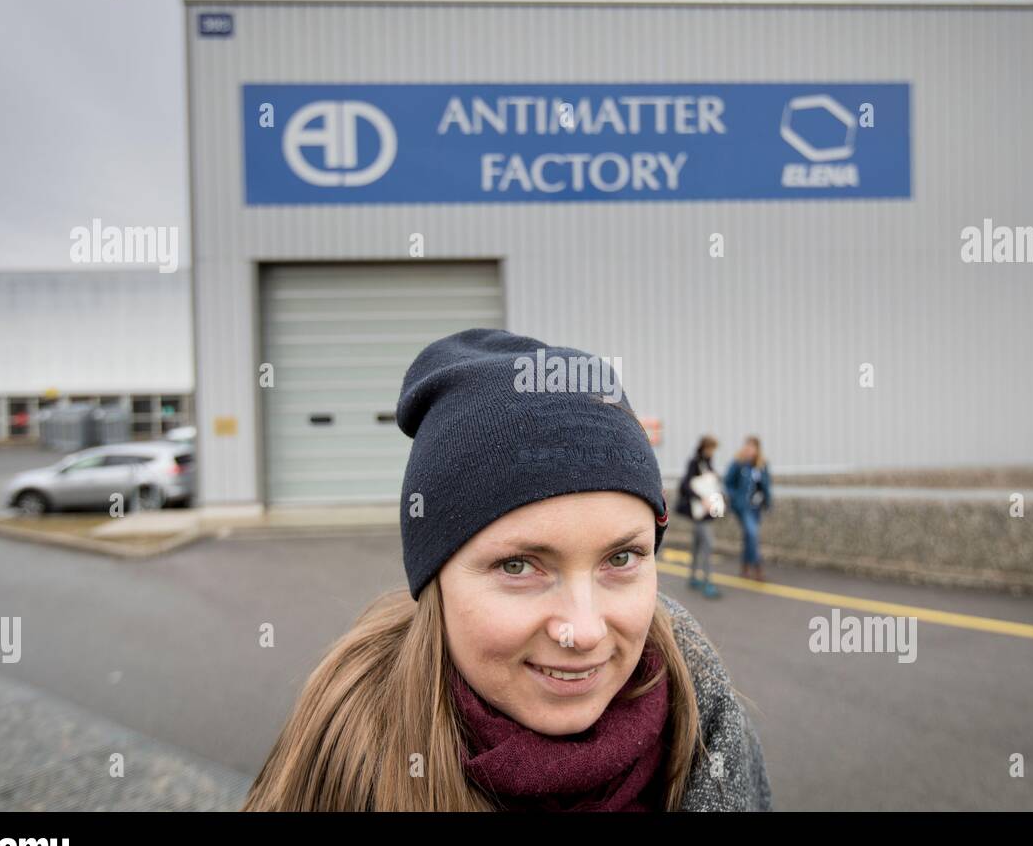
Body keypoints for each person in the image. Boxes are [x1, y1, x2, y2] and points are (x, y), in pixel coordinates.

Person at [243, 329, 772, 812]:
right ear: (435, 581)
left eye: (621, 558)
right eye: (519, 566)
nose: (582, 631)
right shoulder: (344, 766)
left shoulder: (709, 725)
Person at [676, 436, 725, 599]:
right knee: (708, 544)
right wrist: (701, 498)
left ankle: (692, 577)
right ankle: (707, 582)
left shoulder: (707, 463)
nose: (712, 452)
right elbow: (685, 486)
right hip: (700, 512)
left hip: (703, 512)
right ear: (704, 448)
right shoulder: (695, 463)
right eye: (710, 448)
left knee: (698, 545)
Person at [724, 436, 772, 581]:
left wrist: (768, 502)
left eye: (753, 448)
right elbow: (728, 483)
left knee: (749, 537)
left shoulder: (761, 465)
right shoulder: (738, 464)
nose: (750, 450)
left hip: (756, 506)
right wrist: (735, 497)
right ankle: (757, 567)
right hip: (743, 506)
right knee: (752, 534)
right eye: (748, 447)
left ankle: (744, 567)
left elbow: (766, 486)